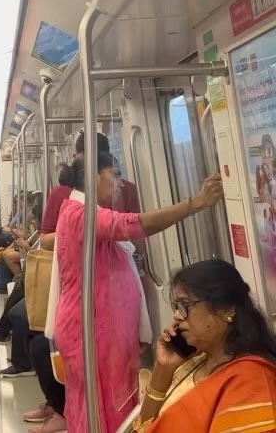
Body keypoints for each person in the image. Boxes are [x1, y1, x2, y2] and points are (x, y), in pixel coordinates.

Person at [52, 151, 223, 432]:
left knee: (109, 401)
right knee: (100, 406)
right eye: (115, 175)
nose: (121, 183)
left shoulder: (85, 213)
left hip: (103, 329)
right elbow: (134, 225)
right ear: (96, 176)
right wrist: (195, 203)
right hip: (91, 329)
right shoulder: (80, 215)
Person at [133, 260, 276, 431]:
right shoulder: (195, 361)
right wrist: (163, 370)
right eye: (176, 306)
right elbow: (145, 427)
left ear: (225, 309)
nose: (178, 315)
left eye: (186, 306)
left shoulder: (249, 381)